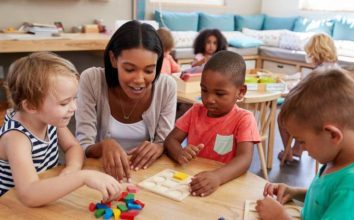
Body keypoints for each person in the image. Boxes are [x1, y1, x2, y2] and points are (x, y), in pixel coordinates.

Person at [0, 52, 121, 206]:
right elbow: (29, 194)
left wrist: (72, 168)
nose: (74, 107)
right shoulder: (16, 138)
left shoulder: (49, 120)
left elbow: (73, 146)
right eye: (64, 103)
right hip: (11, 208)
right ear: (31, 106)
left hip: (44, 197)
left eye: (74, 98)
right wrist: (82, 177)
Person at [76, 20, 177, 182]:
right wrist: (104, 145)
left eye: (149, 70)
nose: (139, 80)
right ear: (113, 59)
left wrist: (160, 146)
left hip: (145, 176)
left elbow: (164, 141)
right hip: (100, 175)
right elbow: (82, 145)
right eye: (130, 69)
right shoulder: (92, 80)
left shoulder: (166, 86)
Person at [256, 69, 354, 220]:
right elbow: (326, 198)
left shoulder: (352, 189)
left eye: (302, 141)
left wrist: (280, 218)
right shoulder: (338, 157)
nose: (302, 149)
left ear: (332, 135)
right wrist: (295, 192)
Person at [164, 51, 260, 197]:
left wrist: (218, 177)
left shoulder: (244, 119)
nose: (209, 99)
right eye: (204, 90)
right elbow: (171, 140)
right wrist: (179, 153)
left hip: (225, 184)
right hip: (192, 181)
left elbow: (244, 159)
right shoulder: (195, 111)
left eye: (219, 94)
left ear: (241, 92)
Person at [278, 33, 340, 163]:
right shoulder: (335, 69)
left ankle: (288, 152)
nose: (309, 57)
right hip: (332, 116)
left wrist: (292, 88)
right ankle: (297, 149)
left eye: (309, 53)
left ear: (316, 53)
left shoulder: (319, 73)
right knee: (300, 112)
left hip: (317, 118)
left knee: (282, 118)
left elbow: (302, 94)